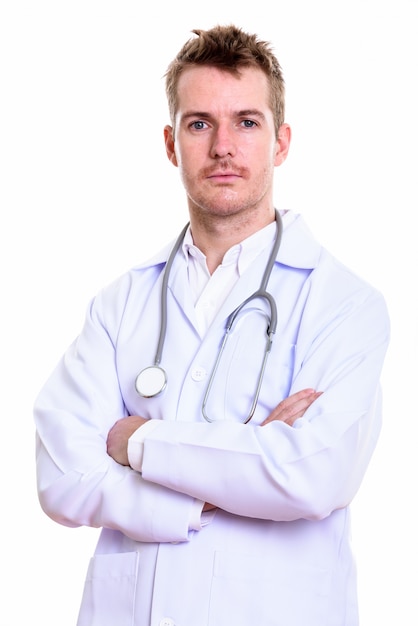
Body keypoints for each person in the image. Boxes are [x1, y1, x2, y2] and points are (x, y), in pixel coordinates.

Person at [34, 24, 390, 626]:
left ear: (281, 142)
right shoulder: (121, 303)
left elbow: (310, 473)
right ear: (172, 144)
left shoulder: (343, 302)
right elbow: (61, 476)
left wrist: (135, 442)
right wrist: (230, 475)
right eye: (200, 124)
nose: (223, 146)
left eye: (246, 122)